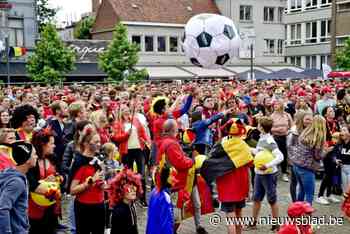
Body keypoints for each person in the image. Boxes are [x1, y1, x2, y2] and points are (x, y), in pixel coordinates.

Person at [155, 119, 195, 233]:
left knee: (172, 214)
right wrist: (191, 161)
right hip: (174, 184)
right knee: (175, 216)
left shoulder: (164, 141)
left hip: (169, 182)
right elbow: (180, 162)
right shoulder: (171, 143)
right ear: (174, 130)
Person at [215, 119, 253, 234]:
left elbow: (212, 163)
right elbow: (251, 163)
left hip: (226, 186)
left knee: (230, 217)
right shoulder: (243, 145)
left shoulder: (221, 144)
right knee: (239, 213)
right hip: (241, 184)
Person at [246, 116, 284, 231]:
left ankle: (276, 224)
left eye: (258, 125)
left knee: (272, 199)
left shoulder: (269, 141)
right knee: (256, 198)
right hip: (259, 174)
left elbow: (280, 156)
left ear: (261, 128)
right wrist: (246, 148)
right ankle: (253, 223)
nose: (257, 126)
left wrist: (267, 165)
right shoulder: (262, 138)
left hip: (268, 174)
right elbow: (259, 152)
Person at [111, 105, 150, 206]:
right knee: (128, 175)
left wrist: (147, 142)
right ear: (120, 112)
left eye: (128, 110)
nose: (126, 112)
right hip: (126, 151)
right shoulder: (118, 124)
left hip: (139, 149)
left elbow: (143, 133)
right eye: (124, 111)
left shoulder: (135, 120)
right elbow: (116, 138)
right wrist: (126, 135)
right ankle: (128, 197)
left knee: (141, 174)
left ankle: (142, 198)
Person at [69, 126, 106, 234]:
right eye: (96, 142)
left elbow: (100, 184)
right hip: (84, 207)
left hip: (99, 205)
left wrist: (105, 184)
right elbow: (72, 190)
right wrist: (90, 181)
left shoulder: (98, 159)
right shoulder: (79, 162)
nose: (99, 144)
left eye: (100, 141)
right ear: (86, 143)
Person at [26, 127, 62, 234]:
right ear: (43, 144)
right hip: (34, 207)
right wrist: (46, 183)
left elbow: (61, 175)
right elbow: (31, 184)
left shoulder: (53, 158)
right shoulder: (31, 161)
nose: (54, 146)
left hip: (52, 206)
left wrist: (58, 178)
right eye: (51, 143)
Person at [0, 141, 38, 234]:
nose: (37, 156)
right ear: (27, 159)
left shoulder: (10, 173)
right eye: (34, 154)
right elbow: (2, 208)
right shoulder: (17, 182)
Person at [290, 115, 327, 205]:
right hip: (306, 168)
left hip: (296, 165)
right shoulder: (317, 137)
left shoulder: (305, 132)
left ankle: (298, 213)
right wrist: (326, 151)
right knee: (309, 194)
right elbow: (317, 156)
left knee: (301, 190)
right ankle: (307, 216)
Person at [316, 106, 341, 205]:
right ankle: (320, 195)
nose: (333, 112)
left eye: (333, 111)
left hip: (335, 150)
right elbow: (320, 137)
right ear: (325, 114)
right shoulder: (323, 123)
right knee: (327, 173)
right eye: (330, 111)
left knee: (333, 172)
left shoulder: (336, 122)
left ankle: (329, 194)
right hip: (327, 150)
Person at [287, 110, 313, 202]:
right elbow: (289, 147)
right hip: (294, 162)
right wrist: (293, 160)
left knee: (301, 185)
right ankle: (295, 202)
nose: (308, 121)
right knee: (294, 182)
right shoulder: (294, 132)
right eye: (306, 119)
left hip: (301, 162)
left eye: (310, 119)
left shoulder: (309, 130)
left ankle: (298, 204)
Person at [108, 168, 143, 234]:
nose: (133, 191)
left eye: (134, 187)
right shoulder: (119, 212)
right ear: (121, 191)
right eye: (129, 189)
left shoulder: (131, 205)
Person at [146, 166, 174, 234]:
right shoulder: (165, 196)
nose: (174, 178)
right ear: (165, 177)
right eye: (172, 176)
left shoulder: (154, 191)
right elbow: (166, 222)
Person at [271, 99, 293, 182]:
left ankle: (284, 172)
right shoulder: (272, 116)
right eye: (274, 104)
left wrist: (288, 131)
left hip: (286, 137)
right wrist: (278, 129)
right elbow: (269, 128)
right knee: (276, 154)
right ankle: (274, 172)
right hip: (276, 137)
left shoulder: (287, 115)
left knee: (284, 154)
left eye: (277, 104)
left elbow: (292, 126)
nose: (275, 106)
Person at [334, 126, 350, 194]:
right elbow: (333, 155)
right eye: (341, 130)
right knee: (345, 190)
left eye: (344, 130)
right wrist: (335, 160)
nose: (341, 132)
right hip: (342, 168)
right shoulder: (339, 144)